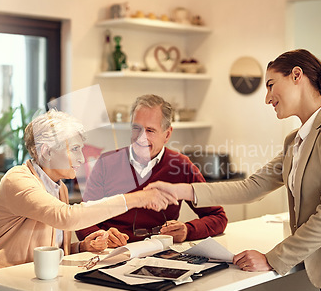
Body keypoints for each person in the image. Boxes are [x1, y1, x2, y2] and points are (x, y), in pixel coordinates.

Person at [146, 50, 321, 291]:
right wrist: (181, 190)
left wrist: (272, 258)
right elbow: (252, 186)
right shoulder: (295, 141)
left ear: (296, 75)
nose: (267, 98)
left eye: (270, 85)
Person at [0, 109, 176, 291]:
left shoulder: (58, 187)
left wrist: (82, 246)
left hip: (38, 290)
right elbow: (66, 217)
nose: (82, 159)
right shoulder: (18, 180)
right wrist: (136, 198)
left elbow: (45, 251)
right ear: (46, 151)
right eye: (74, 149)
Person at [76, 94, 227, 247]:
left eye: (150, 130)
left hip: (160, 253)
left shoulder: (181, 165)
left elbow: (218, 217)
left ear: (167, 134)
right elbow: (81, 219)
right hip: (113, 254)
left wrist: (188, 230)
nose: (141, 137)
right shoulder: (106, 163)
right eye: (136, 128)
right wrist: (100, 236)